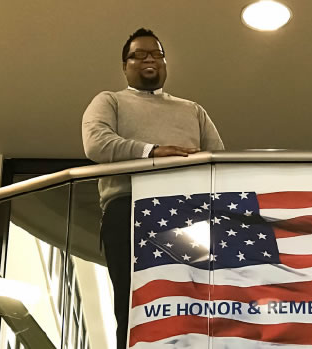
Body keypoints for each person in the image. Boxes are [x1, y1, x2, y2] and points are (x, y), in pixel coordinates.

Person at [82, 28, 224, 349]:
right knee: (134, 307)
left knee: (189, 305)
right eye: (139, 54)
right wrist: (152, 152)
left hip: (188, 215)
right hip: (128, 208)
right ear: (125, 65)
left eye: (156, 54)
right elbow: (96, 143)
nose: (150, 59)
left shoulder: (192, 110)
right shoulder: (110, 101)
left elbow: (219, 163)